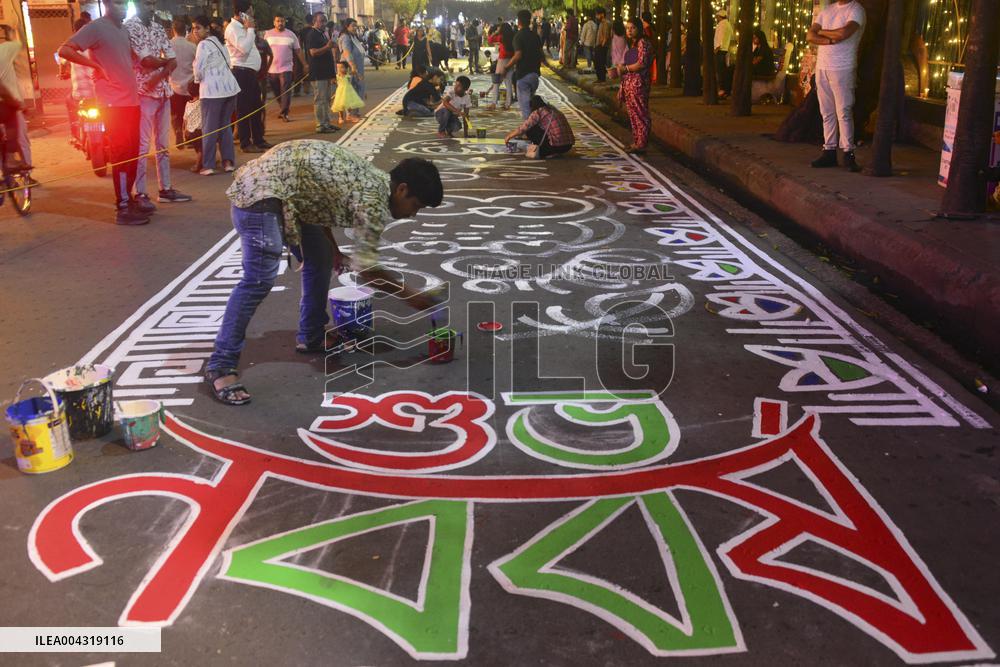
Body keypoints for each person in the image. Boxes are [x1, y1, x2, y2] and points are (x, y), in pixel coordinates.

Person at [204, 142, 444, 405]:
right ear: (402, 189)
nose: (412, 214)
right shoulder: (374, 201)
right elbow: (368, 270)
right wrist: (410, 295)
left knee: (320, 257)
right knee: (258, 279)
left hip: (286, 192)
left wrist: (335, 251)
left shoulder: (375, 181)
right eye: (416, 205)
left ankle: (311, 336)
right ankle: (221, 365)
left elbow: (321, 204)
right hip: (261, 193)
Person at [58, 0, 150, 225]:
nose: (123, 7)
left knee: (133, 154)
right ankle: (122, 207)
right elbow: (65, 49)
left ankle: (129, 198)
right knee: (120, 155)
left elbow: (132, 60)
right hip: (112, 104)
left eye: (125, 3)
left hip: (132, 102)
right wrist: (95, 66)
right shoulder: (96, 27)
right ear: (107, 4)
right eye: (118, 2)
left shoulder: (123, 29)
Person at [124, 0, 190, 208]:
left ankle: (165, 188)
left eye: (153, 2)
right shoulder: (130, 27)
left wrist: (159, 71)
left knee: (163, 145)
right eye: (146, 2)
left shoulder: (158, 27)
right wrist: (164, 64)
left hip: (162, 90)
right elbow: (146, 61)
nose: (150, 6)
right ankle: (140, 192)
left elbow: (172, 60)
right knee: (142, 146)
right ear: (136, 3)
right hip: (143, 92)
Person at [808, 0, 865, 172]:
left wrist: (822, 32)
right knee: (827, 112)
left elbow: (844, 33)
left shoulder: (856, 10)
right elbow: (810, 35)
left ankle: (848, 152)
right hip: (822, 67)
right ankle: (829, 149)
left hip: (843, 67)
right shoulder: (827, 11)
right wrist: (830, 40)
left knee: (844, 110)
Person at [192, 14, 239, 175]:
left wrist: (197, 80)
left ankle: (209, 165)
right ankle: (228, 162)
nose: (195, 31)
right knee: (225, 126)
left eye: (198, 28)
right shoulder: (220, 42)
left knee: (210, 129)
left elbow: (198, 71)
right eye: (193, 28)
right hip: (230, 89)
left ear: (207, 29)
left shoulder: (203, 45)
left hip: (212, 92)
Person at [225, 0, 270, 153]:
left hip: (250, 73)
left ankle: (259, 139)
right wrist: (250, 30)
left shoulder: (242, 28)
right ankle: (246, 142)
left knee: (256, 107)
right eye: (250, 13)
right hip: (241, 72)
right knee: (243, 109)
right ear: (241, 14)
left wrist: (248, 29)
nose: (252, 16)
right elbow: (243, 49)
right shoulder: (232, 29)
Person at [613, 17, 653, 154]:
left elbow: (641, 63)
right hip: (630, 84)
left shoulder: (643, 43)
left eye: (633, 28)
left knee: (640, 114)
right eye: (628, 28)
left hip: (639, 84)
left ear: (639, 29)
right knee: (633, 114)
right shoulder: (634, 43)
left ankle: (641, 143)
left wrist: (626, 69)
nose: (629, 31)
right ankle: (637, 142)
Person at [0, 24, 32, 177]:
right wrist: (16, 29)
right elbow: (22, 43)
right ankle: (20, 167)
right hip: (7, 104)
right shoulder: (5, 49)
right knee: (19, 137)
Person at [505, 95, 574, 158]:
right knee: (538, 129)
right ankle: (554, 151)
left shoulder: (538, 112)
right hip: (568, 146)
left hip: (556, 146)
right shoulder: (554, 110)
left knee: (530, 130)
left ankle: (547, 150)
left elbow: (524, 127)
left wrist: (509, 136)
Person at [264, 14, 304, 122]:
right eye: (278, 21)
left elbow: (298, 51)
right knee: (277, 92)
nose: (280, 23)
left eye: (282, 21)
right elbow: (263, 51)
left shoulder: (291, 35)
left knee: (285, 90)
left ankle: (284, 112)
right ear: (274, 22)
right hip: (271, 69)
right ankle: (283, 107)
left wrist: (305, 64)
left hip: (286, 68)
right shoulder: (267, 35)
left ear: (284, 22)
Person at [506, 10, 544, 120]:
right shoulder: (535, 36)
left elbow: (518, 55)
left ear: (519, 22)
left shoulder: (518, 36)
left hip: (523, 75)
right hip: (535, 76)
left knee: (525, 106)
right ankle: (534, 126)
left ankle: (528, 131)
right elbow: (541, 54)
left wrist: (507, 66)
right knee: (530, 103)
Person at [305, 12, 337, 134]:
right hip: (318, 72)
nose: (324, 23)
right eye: (321, 21)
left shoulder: (322, 34)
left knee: (327, 99)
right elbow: (313, 52)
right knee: (320, 99)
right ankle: (321, 125)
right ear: (315, 21)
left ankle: (327, 123)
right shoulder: (312, 34)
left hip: (325, 72)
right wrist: (327, 47)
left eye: (325, 21)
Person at [167, 19, 196, 147]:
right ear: (185, 31)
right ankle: (189, 137)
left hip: (173, 86)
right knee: (189, 113)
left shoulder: (168, 45)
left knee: (175, 113)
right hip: (189, 86)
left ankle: (178, 130)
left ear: (173, 30)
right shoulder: (192, 46)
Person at [338, 18, 366, 121]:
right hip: (350, 68)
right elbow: (346, 52)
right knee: (351, 91)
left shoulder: (353, 37)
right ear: (347, 26)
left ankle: (355, 112)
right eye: (353, 25)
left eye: (356, 26)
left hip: (357, 68)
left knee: (358, 89)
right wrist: (353, 66)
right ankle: (350, 114)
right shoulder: (345, 37)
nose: (355, 28)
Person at [487, 21, 514, 110]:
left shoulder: (501, 37)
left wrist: (496, 32)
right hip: (511, 61)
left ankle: (494, 103)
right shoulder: (513, 38)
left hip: (502, 60)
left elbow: (490, 40)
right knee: (508, 83)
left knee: (496, 82)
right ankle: (508, 104)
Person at [331, 60, 363, 125]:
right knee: (340, 105)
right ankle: (341, 117)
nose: (339, 69)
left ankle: (349, 116)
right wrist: (332, 81)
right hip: (340, 92)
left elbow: (354, 72)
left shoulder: (348, 74)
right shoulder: (337, 76)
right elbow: (332, 81)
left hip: (349, 92)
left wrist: (358, 76)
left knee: (349, 104)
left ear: (346, 68)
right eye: (338, 67)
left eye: (342, 67)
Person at [714, 9, 734, 98]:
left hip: (720, 51)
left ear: (719, 16)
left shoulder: (721, 25)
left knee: (720, 71)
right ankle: (725, 90)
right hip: (725, 50)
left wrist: (716, 49)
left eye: (717, 17)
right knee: (724, 71)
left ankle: (722, 90)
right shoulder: (728, 24)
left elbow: (720, 38)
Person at [593, 8, 611, 83]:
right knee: (597, 62)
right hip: (599, 45)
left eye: (598, 14)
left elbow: (606, 35)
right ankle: (600, 78)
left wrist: (602, 46)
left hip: (601, 46)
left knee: (600, 62)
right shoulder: (601, 23)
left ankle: (601, 78)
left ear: (602, 14)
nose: (596, 16)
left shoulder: (606, 23)